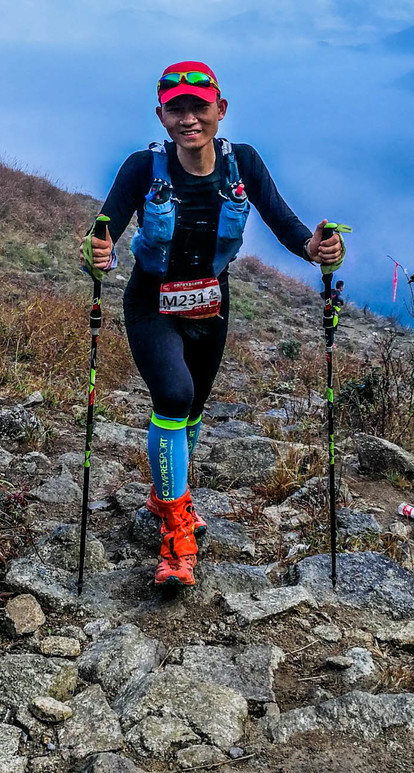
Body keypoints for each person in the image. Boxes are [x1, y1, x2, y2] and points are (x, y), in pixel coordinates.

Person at [80, 60, 346, 590]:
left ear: (220, 110)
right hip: (152, 303)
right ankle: (176, 533)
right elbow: (100, 233)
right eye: (175, 108)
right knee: (174, 398)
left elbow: (282, 219)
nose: (188, 118)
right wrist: (96, 251)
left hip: (210, 305)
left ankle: (165, 493)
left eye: (198, 107)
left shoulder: (242, 163)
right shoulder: (142, 168)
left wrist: (315, 248)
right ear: (161, 115)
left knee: (194, 412)